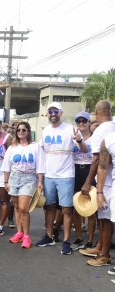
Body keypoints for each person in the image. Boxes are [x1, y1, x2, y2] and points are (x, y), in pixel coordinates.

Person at [36, 102, 87, 254]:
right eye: (50, 111)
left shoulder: (71, 129)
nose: (52, 114)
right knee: (49, 207)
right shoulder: (45, 132)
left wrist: (78, 140)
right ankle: (49, 236)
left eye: (55, 111)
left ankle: (66, 241)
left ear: (61, 113)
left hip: (66, 176)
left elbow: (84, 150)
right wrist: (40, 179)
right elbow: (41, 155)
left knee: (66, 209)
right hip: (49, 176)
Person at [79, 101, 115, 265]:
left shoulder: (101, 131)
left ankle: (104, 255)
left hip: (106, 182)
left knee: (105, 219)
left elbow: (97, 161)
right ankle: (100, 247)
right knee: (103, 218)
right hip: (108, 180)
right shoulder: (113, 126)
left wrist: (87, 183)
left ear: (95, 112)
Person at [1, 121, 45, 248]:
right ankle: (19, 233)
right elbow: (6, 166)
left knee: (24, 208)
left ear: (28, 131)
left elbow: (40, 165)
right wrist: (6, 182)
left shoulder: (35, 147)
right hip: (14, 178)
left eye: (23, 130)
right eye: (19, 130)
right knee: (16, 207)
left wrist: (40, 182)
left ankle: (26, 236)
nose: (21, 132)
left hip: (29, 178)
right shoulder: (12, 147)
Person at [71, 111, 96, 250]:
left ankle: (90, 239)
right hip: (74, 170)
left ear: (89, 123)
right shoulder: (72, 138)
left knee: (90, 208)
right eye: (78, 121)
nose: (81, 123)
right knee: (76, 206)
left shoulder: (95, 138)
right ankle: (79, 237)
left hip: (89, 170)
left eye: (84, 121)